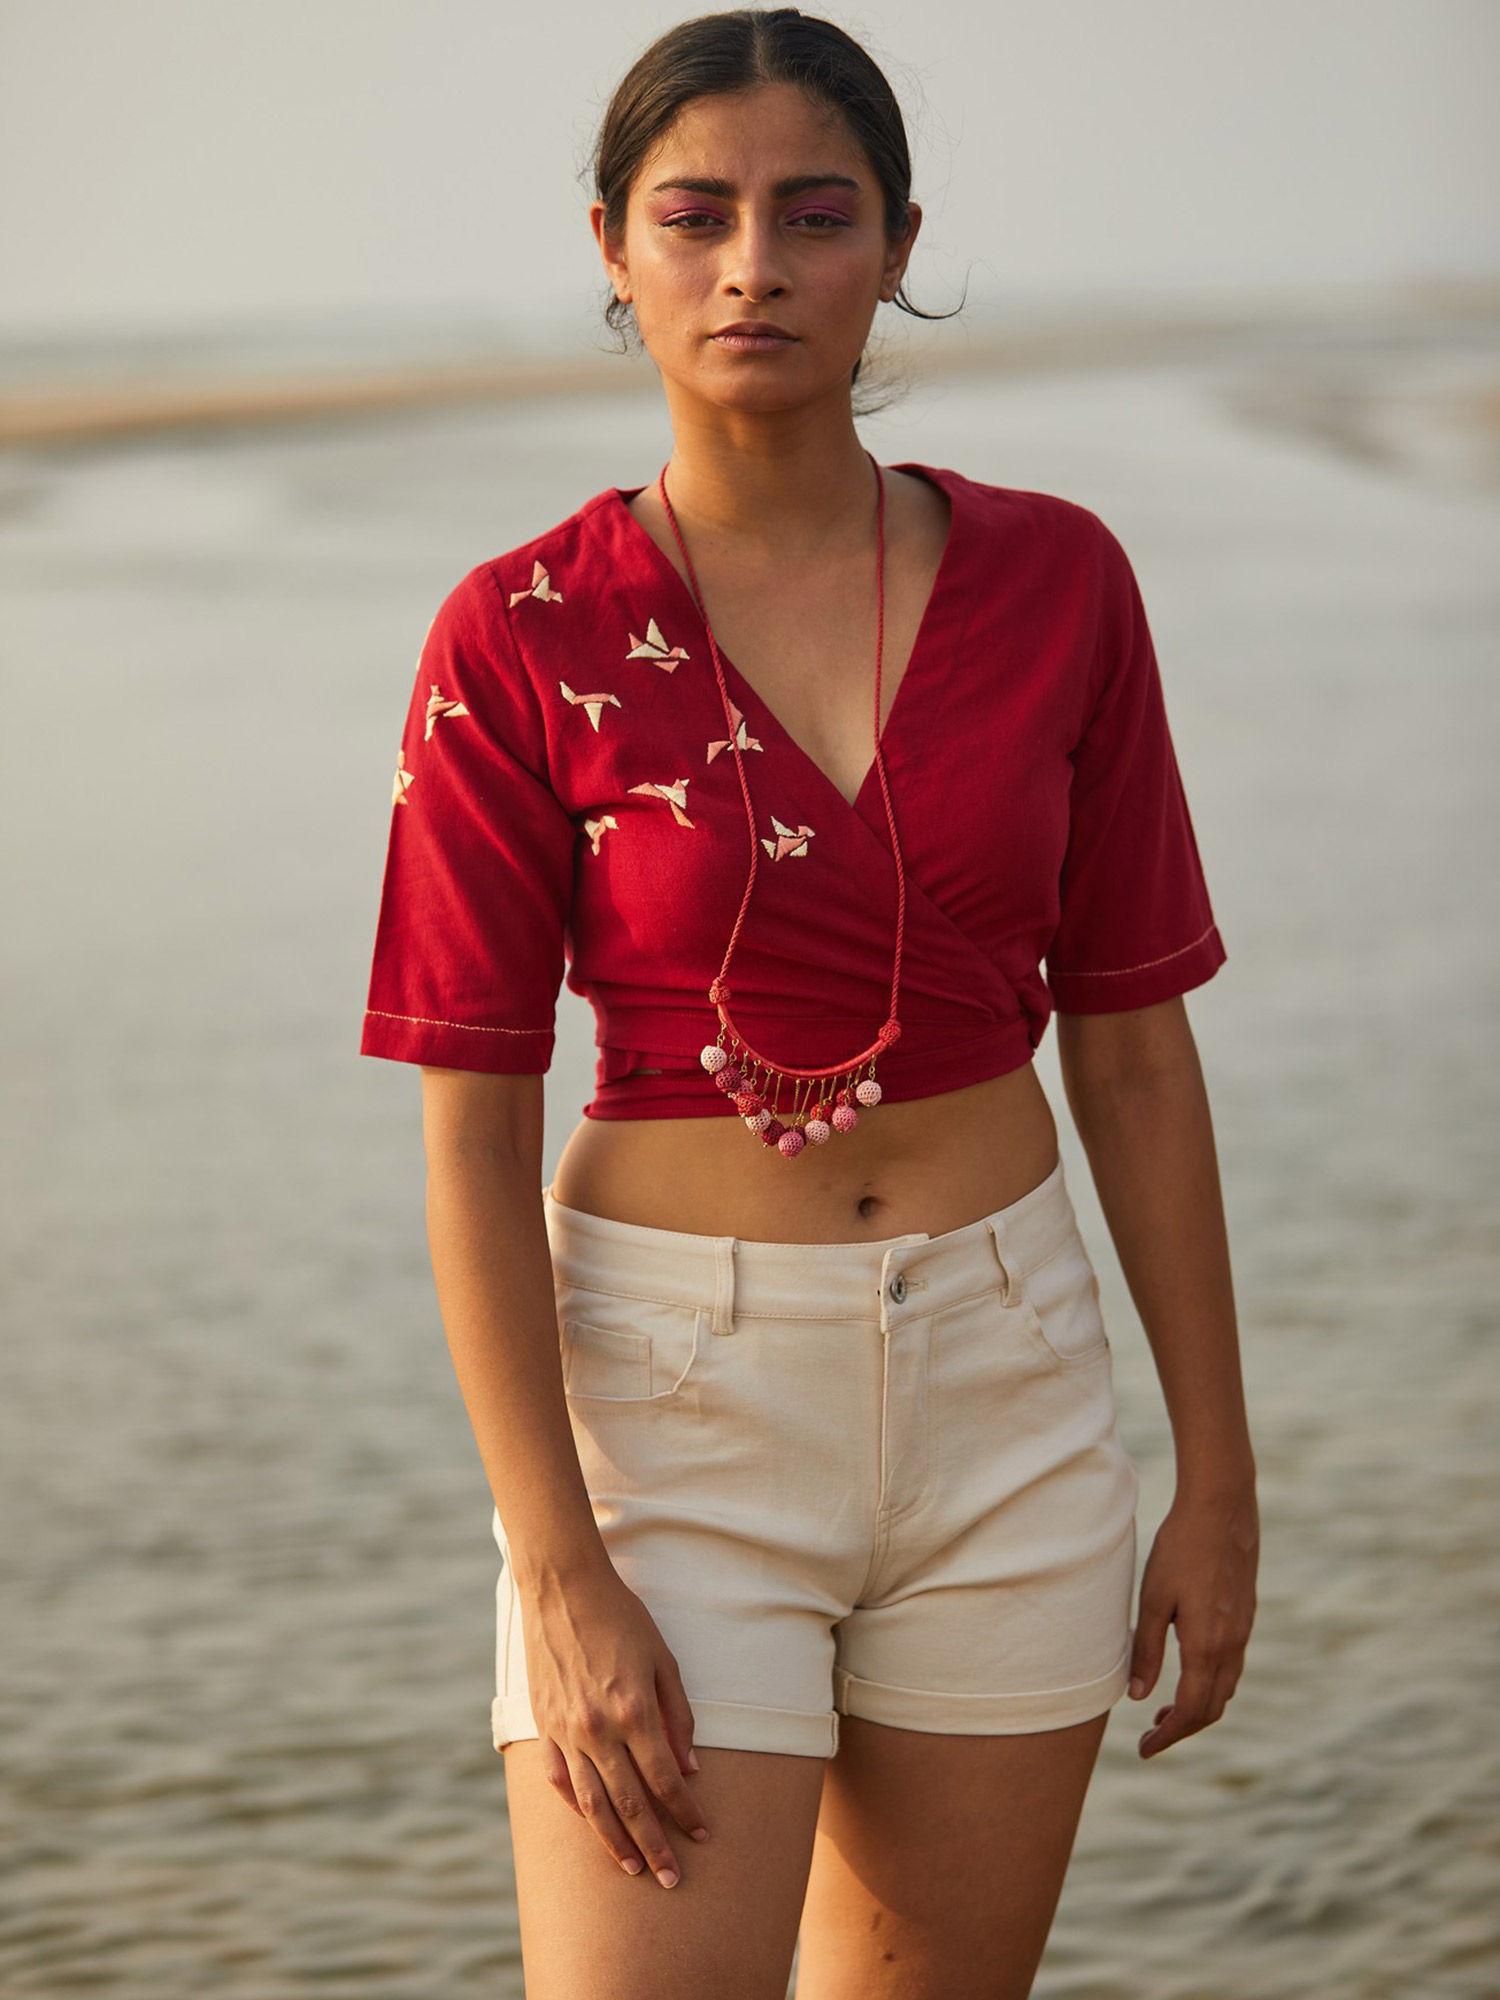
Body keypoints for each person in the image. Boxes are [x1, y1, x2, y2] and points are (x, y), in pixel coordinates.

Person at [358, 9, 1258, 1996]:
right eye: (695, 215)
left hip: (1012, 1394)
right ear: (613, 246)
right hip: (670, 1421)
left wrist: (1220, 1467)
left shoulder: (1062, 583)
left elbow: (1130, 1046)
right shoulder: (519, 634)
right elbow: (470, 1132)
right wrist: (559, 1563)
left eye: (812, 212)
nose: (752, 260)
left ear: (896, 244)